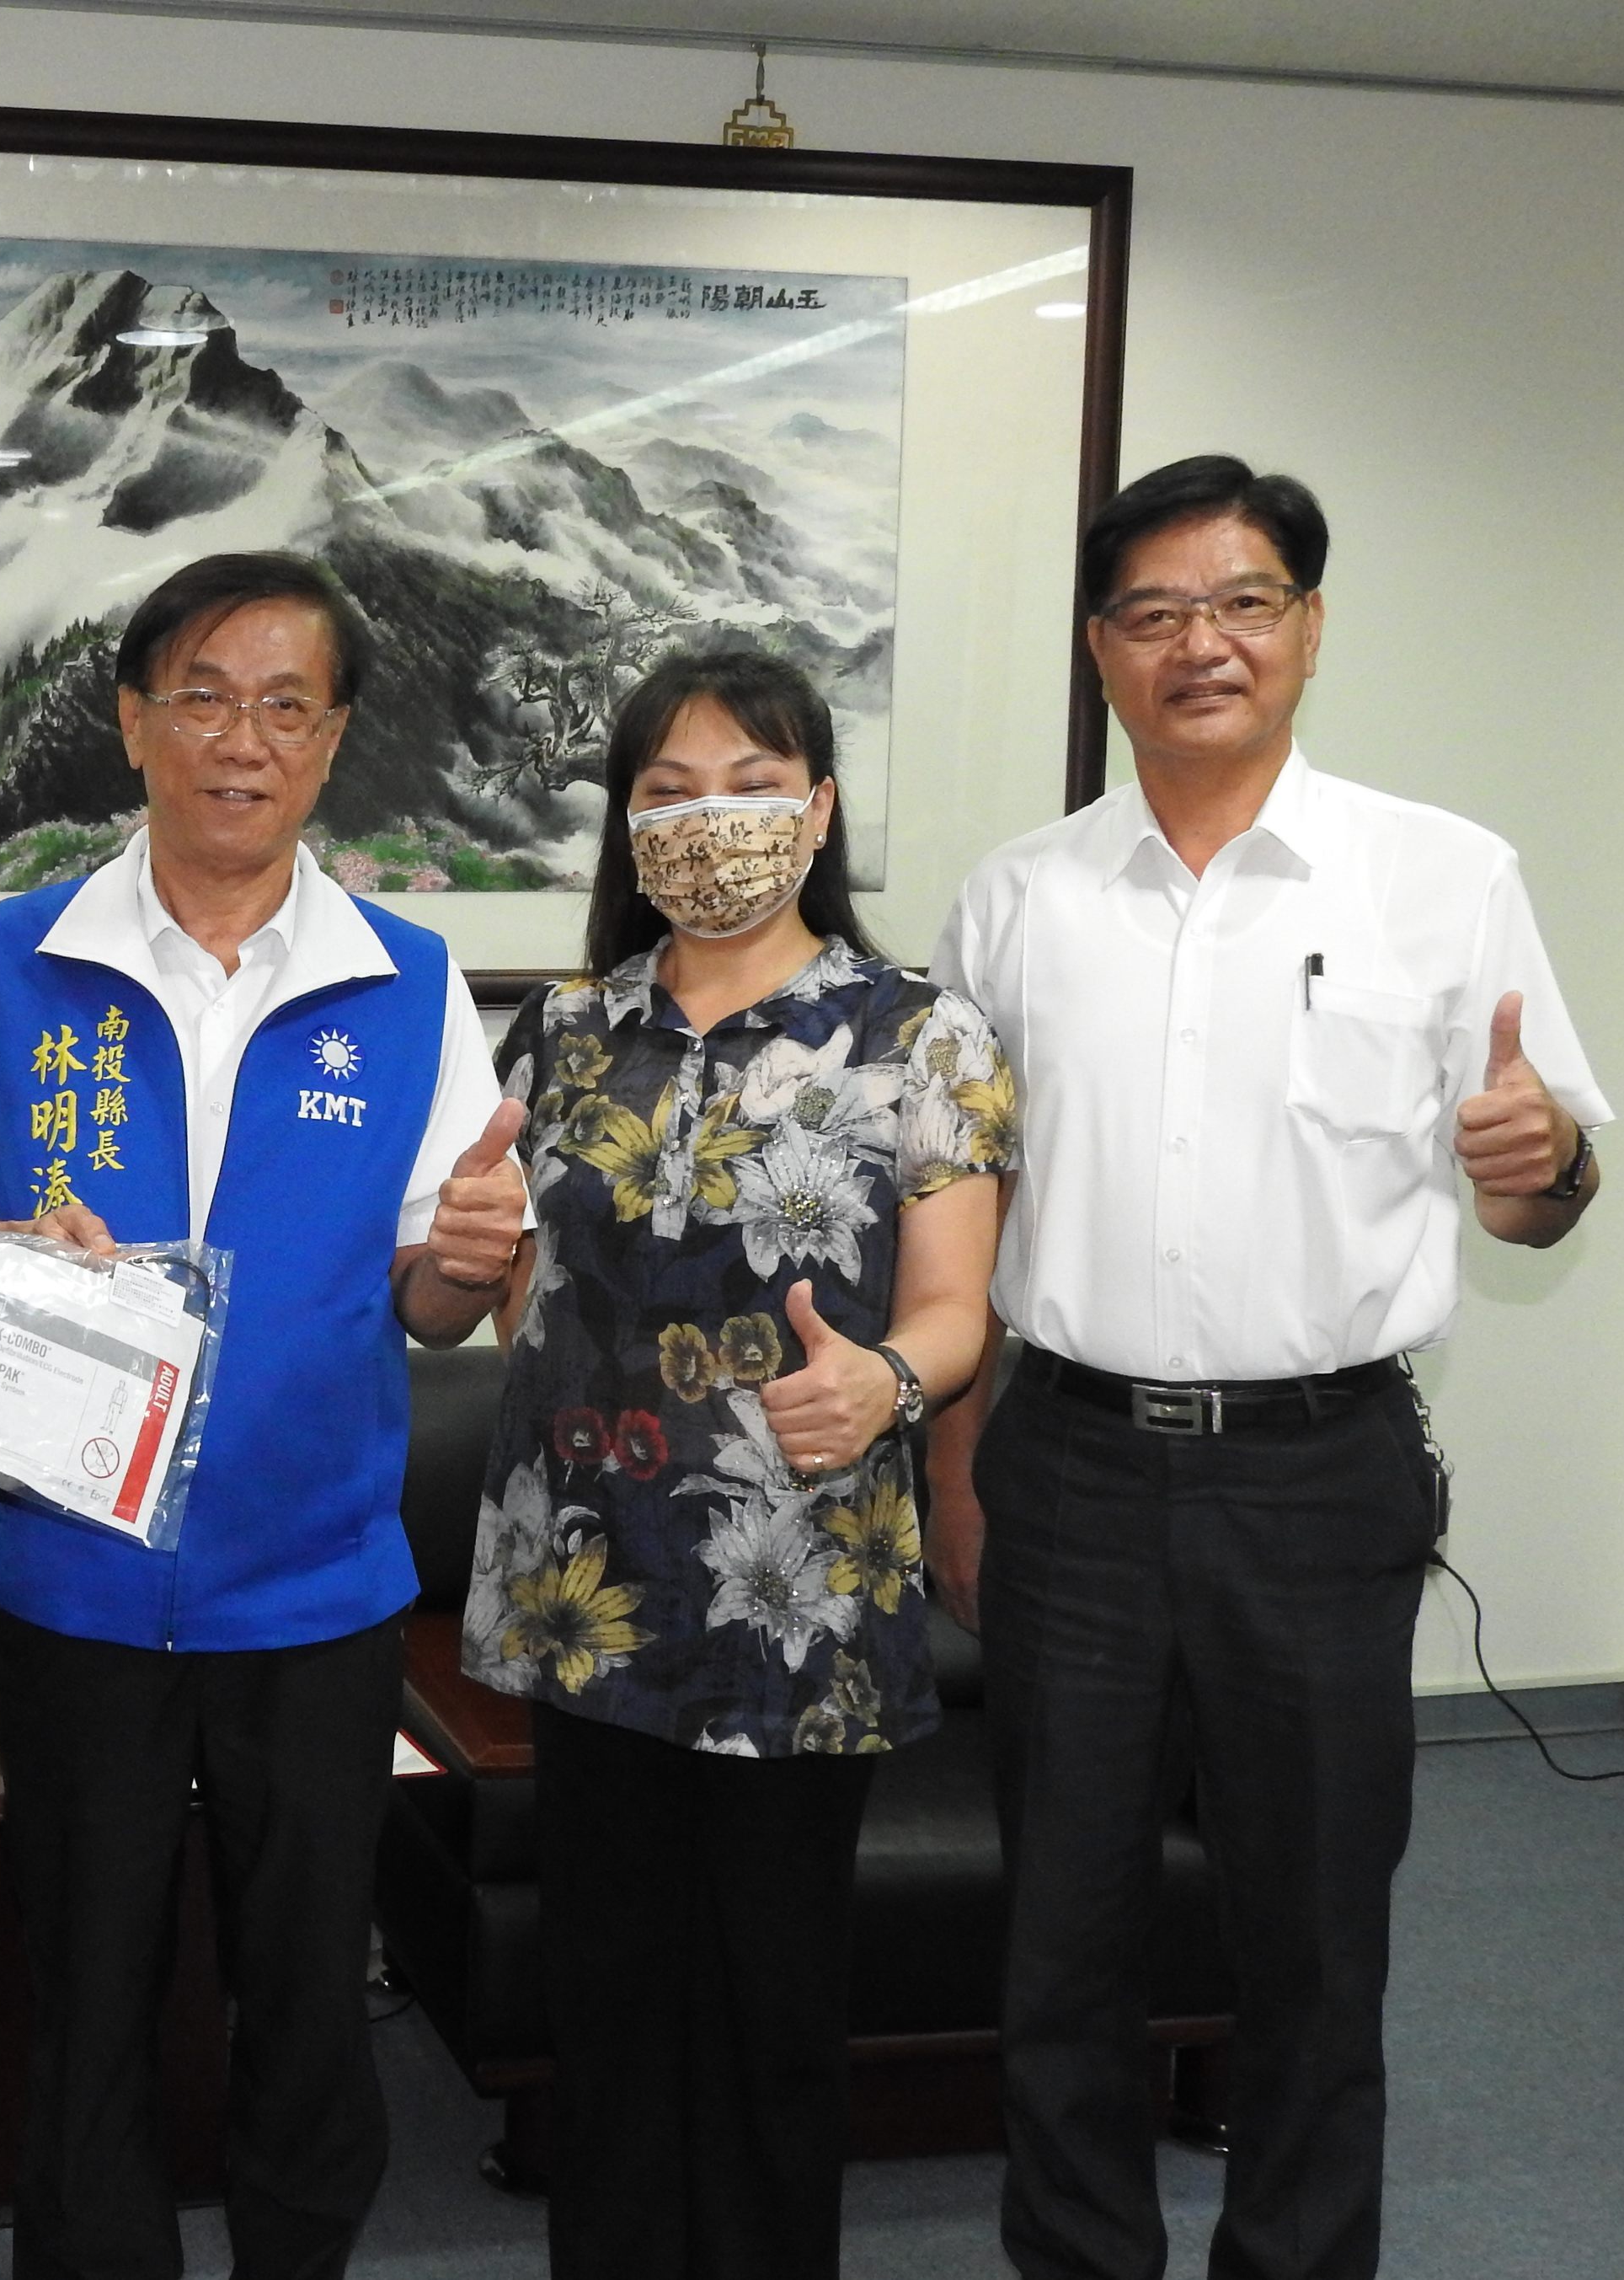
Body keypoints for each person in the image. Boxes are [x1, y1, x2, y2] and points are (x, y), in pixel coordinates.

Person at [927, 455, 1608, 2280]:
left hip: (1318, 1476)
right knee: (1059, 1939)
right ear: (1100, 650)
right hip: (1068, 1467)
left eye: (1242, 604)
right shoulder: (1015, 901)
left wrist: (1542, 1165)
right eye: (1152, 612)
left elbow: (1542, 1191)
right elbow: (964, 1215)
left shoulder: (1441, 876)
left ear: (1309, 629)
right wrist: (956, 1466)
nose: (1200, 644)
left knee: (1314, 1945)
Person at [0, 550, 528, 2280]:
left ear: (332, 741)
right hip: (71, 1582)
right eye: (204, 699)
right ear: (132, 721)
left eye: (285, 707)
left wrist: (470, 1261)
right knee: (85, 1994)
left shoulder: (408, 979)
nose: (242, 741)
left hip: (314, 1592)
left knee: (306, 2000)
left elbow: (430, 1300)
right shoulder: (20, 951)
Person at [461, 648, 1008, 2277]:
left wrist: (886, 1380)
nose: (715, 823)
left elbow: (956, 1312)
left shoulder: (922, 1034)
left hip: (801, 1597)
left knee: (772, 2015)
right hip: (586, 1586)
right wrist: (464, 1257)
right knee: (610, 2010)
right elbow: (504, 1295)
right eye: (672, 793)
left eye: (754, 787)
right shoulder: (564, 1029)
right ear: (628, 826)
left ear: (819, 808)